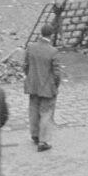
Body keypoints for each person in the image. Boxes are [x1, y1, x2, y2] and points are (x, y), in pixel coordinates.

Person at [23, 21, 63, 151]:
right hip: (47, 87)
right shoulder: (53, 52)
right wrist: (55, 86)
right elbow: (57, 73)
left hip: (33, 85)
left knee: (33, 110)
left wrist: (30, 78)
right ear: (51, 35)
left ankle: (34, 134)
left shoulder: (31, 47)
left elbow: (25, 66)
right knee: (46, 114)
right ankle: (44, 141)